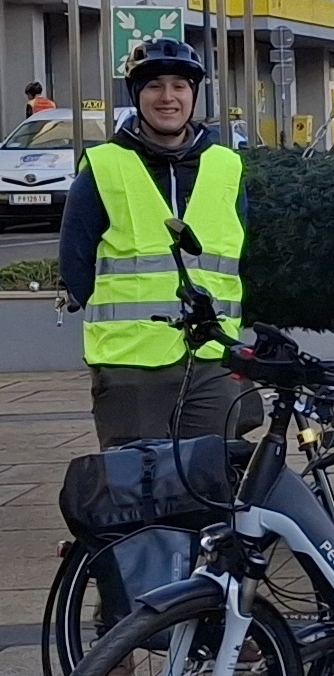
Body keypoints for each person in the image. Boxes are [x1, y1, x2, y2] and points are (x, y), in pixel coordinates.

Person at [59, 39, 251, 449]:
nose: (168, 97)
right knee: (138, 489)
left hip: (211, 357)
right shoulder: (105, 166)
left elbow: (241, 253)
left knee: (212, 481)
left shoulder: (226, 165)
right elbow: (75, 262)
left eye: (180, 86)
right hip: (131, 363)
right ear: (136, 95)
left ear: (193, 94)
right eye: (154, 86)